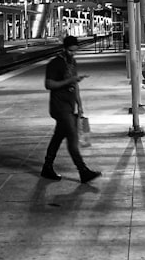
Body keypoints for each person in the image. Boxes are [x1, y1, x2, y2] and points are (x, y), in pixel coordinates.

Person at [41, 35, 102, 183]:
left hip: (69, 107)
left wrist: (79, 104)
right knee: (72, 140)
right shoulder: (55, 64)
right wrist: (70, 80)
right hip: (59, 107)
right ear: (64, 48)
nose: (73, 54)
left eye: (75, 51)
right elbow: (49, 84)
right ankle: (83, 171)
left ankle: (47, 167)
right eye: (70, 51)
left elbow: (75, 85)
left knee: (58, 137)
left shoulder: (72, 62)